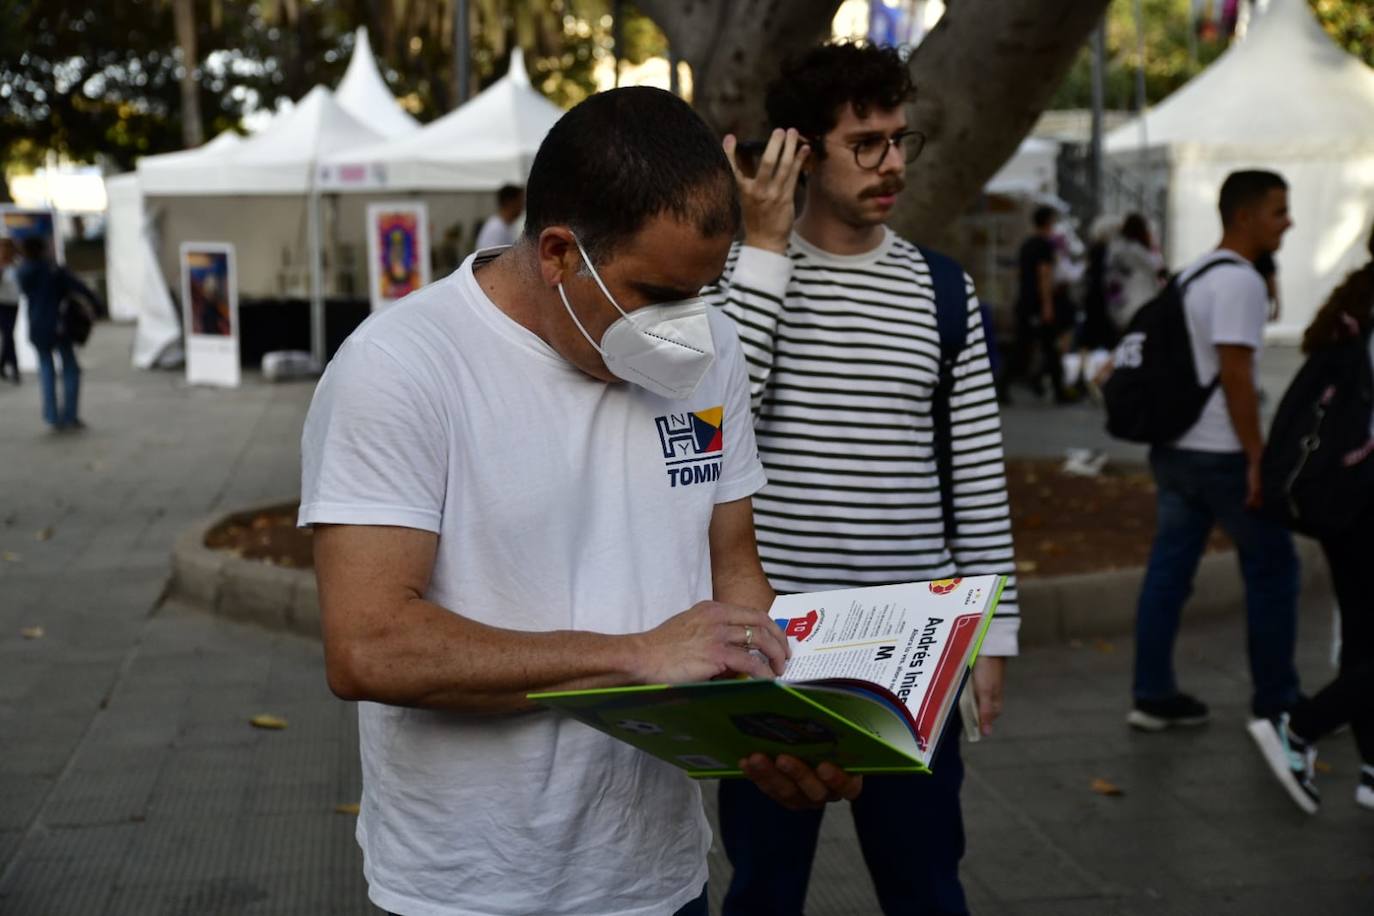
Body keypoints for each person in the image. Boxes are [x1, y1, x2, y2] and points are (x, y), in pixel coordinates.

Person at [299, 86, 861, 916]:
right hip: (469, 886)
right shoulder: (400, 368)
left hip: (658, 875)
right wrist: (633, 654)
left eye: (704, 291)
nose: (688, 325)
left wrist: (786, 724)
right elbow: (371, 647)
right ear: (560, 252)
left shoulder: (713, 349)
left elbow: (734, 566)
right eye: (657, 296)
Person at [711, 42, 1020, 916]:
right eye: (866, 143)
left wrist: (993, 635)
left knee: (925, 884)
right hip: (779, 645)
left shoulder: (943, 291)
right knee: (764, 885)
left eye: (899, 139)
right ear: (802, 152)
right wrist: (765, 250)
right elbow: (726, 418)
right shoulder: (741, 279)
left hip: (915, 646)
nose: (891, 164)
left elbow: (977, 477)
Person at [1128, 170, 1299, 731]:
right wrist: (1258, 457)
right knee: (1274, 570)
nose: (1288, 222)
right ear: (1245, 216)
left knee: (1169, 573)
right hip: (1221, 455)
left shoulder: (1194, 272)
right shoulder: (1241, 282)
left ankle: (1151, 695)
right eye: (1279, 211)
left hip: (1175, 451)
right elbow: (1237, 377)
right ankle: (1278, 703)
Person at [1248, 223, 1374, 814]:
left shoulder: (1358, 304)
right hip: (1365, 504)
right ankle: (1299, 726)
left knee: (1364, 635)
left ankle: (1371, 769)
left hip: (1348, 504)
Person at [15, 236, 98, 430]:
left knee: (46, 369)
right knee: (70, 367)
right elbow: (80, 287)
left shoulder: (23, 271)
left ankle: (52, 416)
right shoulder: (54, 271)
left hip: (37, 326)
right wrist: (95, 304)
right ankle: (70, 415)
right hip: (60, 326)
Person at [1014, 205, 1077, 402]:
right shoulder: (1043, 246)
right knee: (1042, 347)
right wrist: (1047, 305)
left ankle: (1049, 386)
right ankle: (1056, 390)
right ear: (1048, 222)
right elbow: (1044, 275)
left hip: (1026, 301)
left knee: (1031, 346)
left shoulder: (1027, 244)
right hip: (1037, 304)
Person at [1106, 212, 1165, 328]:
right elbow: (1155, 270)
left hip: (1118, 306)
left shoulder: (1114, 250)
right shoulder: (1138, 253)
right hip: (1139, 306)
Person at [473, 183, 525, 250]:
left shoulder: (506, 226)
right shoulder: (495, 228)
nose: (522, 207)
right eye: (520, 202)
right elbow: (489, 258)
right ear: (509, 202)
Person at [0, 237, 20, 384]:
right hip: (2, 303)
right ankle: (14, 367)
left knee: (8, 334)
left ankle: (4, 365)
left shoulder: (16, 265)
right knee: (8, 335)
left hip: (13, 303)